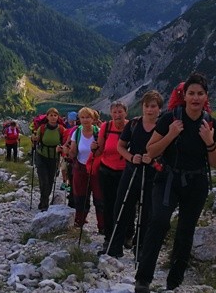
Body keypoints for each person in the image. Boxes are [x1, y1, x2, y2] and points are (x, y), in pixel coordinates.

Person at [134, 73, 216, 293]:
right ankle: (143, 279)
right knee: (159, 221)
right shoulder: (169, 119)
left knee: (186, 230)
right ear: (184, 96)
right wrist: (171, 135)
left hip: (197, 182)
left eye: (200, 94)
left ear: (206, 97)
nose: (195, 98)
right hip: (168, 179)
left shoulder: (212, 125)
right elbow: (151, 150)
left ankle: (174, 282)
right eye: (191, 93)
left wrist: (209, 142)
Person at [106, 91, 163, 258]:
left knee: (147, 212)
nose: (149, 110)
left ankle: (141, 248)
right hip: (132, 171)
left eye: (153, 106)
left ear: (159, 108)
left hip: (152, 174)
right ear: (142, 107)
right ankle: (115, 247)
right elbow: (120, 146)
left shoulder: (163, 127)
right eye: (147, 106)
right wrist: (132, 157)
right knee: (121, 208)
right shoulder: (134, 124)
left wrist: (153, 158)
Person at [96, 101, 128, 252]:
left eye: (120, 112)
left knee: (125, 205)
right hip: (106, 170)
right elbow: (99, 149)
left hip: (125, 171)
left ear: (125, 113)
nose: (117, 115)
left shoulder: (131, 127)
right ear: (111, 114)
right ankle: (109, 237)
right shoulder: (106, 127)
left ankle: (127, 235)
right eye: (114, 112)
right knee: (108, 205)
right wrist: (94, 148)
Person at [68, 107, 104, 231]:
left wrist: (97, 148)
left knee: (99, 197)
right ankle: (79, 221)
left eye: (87, 117)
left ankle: (102, 225)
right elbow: (73, 152)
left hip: (96, 169)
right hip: (80, 168)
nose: (85, 120)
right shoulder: (76, 132)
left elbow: (102, 152)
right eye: (82, 117)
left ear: (93, 119)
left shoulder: (99, 132)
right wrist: (66, 151)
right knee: (80, 196)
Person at [31, 108, 67, 211]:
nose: (53, 117)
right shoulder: (42, 128)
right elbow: (37, 140)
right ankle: (44, 204)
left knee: (50, 181)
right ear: (47, 117)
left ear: (58, 117)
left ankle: (43, 200)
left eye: (55, 115)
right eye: (51, 115)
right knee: (44, 181)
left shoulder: (61, 129)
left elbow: (65, 142)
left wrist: (62, 149)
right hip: (41, 156)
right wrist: (33, 139)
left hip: (54, 158)